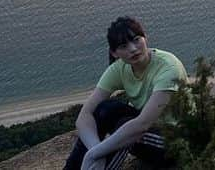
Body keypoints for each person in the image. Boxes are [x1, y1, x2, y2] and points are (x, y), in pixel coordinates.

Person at [63, 17, 188, 170]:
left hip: (178, 141)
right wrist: (95, 150)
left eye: (136, 40)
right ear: (114, 53)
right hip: (149, 137)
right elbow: (84, 117)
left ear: (145, 38)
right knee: (106, 109)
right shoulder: (119, 69)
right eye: (124, 46)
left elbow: (142, 125)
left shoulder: (168, 68)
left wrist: (93, 155)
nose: (133, 49)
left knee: (126, 131)